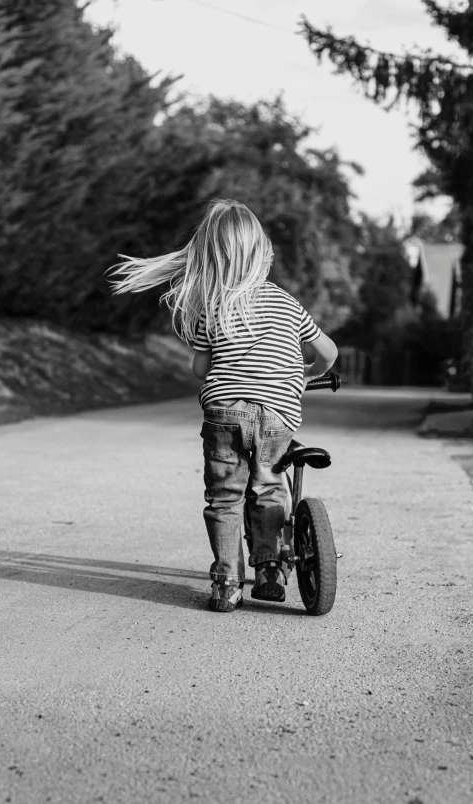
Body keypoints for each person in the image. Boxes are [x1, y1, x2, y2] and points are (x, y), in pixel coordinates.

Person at [109, 199, 338, 613]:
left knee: (225, 498)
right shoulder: (286, 303)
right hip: (275, 417)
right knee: (269, 488)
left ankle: (227, 582)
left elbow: (201, 367)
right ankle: (269, 569)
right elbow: (329, 352)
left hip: (224, 417)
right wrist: (304, 372)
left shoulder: (212, 307)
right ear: (261, 256)